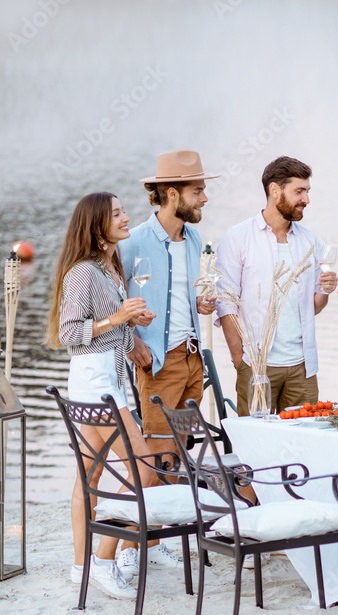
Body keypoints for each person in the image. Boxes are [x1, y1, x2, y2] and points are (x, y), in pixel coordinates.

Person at [46, 192, 158, 599]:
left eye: (124, 210)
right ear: (96, 226)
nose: (126, 217)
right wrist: (118, 317)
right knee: (144, 470)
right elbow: (69, 334)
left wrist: (133, 322)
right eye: (117, 213)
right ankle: (104, 559)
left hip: (103, 383)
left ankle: (81, 568)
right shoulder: (81, 273)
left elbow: (112, 331)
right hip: (96, 386)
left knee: (89, 476)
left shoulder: (109, 269)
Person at [117, 148, 219, 578]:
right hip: (160, 364)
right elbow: (111, 298)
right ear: (171, 194)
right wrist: (129, 342)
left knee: (178, 455)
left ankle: (155, 541)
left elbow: (185, 297)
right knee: (157, 459)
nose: (204, 199)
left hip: (192, 358)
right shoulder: (135, 241)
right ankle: (128, 546)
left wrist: (202, 304)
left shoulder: (193, 239)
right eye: (198, 191)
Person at [215, 155, 337, 415]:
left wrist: (325, 290)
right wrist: (240, 360)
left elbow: (312, 307)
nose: (306, 199)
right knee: (257, 444)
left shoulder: (309, 241)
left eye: (307, 191)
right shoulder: (238, 238)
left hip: (303, 369)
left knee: (304, 443)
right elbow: (226, 304)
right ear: (274, 190)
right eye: (299, 191)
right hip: (258, 366)